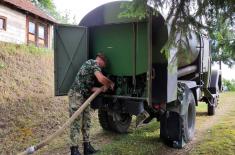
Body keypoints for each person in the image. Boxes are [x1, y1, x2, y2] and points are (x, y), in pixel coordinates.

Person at [68, 53, 114, 155]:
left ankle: (87, 147)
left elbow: (89, 87)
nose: (103, 67)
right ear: (101, 60)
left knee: (87, 122)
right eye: (104, 65)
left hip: (85, 96)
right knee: (75, 122)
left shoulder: (90, 68)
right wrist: (110, 83)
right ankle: (74, 150)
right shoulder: (93, 63)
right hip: (76, 95)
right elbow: (101, 78)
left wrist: (100, 89)